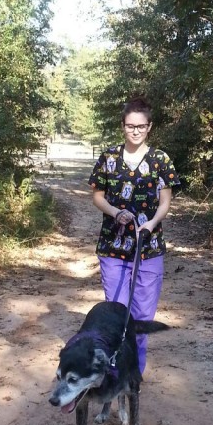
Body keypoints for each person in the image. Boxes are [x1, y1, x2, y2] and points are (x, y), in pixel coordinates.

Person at [88, 95, 181, 375]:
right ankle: (115, 371)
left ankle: (134, 375)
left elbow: (165, 202)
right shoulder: (109, 158)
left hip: (148, 248)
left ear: (149, 127)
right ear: (123, 126)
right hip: (113, 247)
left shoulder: (160, 160)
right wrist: (115, 213)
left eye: (141, 126)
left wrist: (151, 223)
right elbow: (97, 196)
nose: (136, 131)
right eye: (130, 126)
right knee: (117, 314)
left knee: (141, 316)